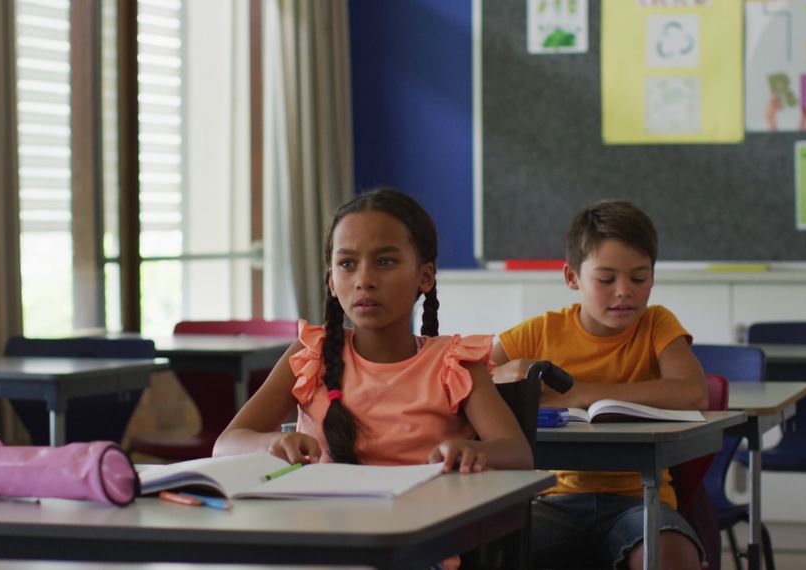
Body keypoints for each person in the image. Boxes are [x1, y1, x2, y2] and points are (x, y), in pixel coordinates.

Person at [215, 187, 532, 477]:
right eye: (348, 264)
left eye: (384, 262)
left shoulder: (455, 363)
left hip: (423, 526)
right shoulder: (309, 353)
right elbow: (226, 444)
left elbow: (518, 453)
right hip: (323, 527)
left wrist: (475, 451)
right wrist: (272, 442)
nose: (363, 279)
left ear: (425, 276)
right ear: (331, 282)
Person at [492, 199, 708, 570]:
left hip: (640, 500)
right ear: (572, 278)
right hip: (552, 499)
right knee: (496, 550)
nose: (624, 291)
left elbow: (693, 391)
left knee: (670, 557)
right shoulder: (539, 332)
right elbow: (470, 378)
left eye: (639, 278)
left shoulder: (657, 325)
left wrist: (581, 392)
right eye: (606, 279)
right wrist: (505, 376)